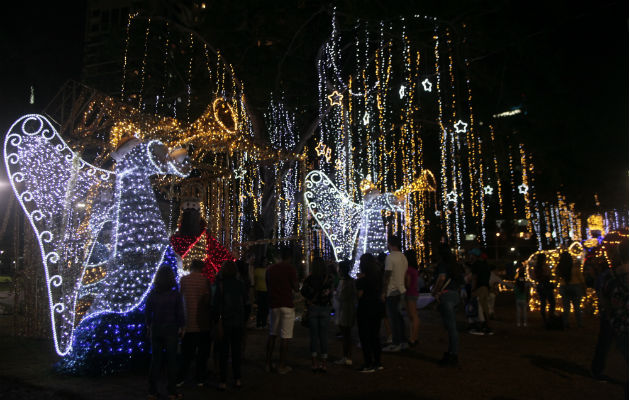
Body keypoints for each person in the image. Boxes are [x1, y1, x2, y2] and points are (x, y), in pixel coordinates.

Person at [591, 239, 629, 381]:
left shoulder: (610, 276)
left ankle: (597, 368)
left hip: (617, 323)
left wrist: (612, 314)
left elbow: (603, 299)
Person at [146, 265, 185, 400]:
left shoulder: (153, 294)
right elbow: (180, 313)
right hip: (171, 329)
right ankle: (171, 391)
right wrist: (182, 326)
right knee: (171, 360)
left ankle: (152, 390)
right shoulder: (175, 295)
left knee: (156, 360)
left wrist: (149, 326)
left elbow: (148, 312)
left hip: (157, 328)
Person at [213, 260, 247, 390]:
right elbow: (245, 301)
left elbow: (216, 305)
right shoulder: (240, 284)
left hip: (224, 321)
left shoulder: (220, 285)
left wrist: (217, 320)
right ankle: (237, 378)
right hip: (237, 321)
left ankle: (223, 380)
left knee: (224, 351)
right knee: (236, 351)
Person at [177, 259, 211, 388]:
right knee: (202, 354)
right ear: (201, 268)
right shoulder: (205, 281)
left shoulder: (184, 280)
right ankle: (200, 378)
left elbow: (180, 298)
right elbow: (207, 301)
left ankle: (181, 378)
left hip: (188, 322)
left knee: (186, 354)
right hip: (202, 323)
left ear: (191, 267)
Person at [265, 246, 298, 374]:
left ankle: (268, 363)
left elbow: (268, 286)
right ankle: (281, 365)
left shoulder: (270, 269)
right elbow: (296, 288)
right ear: (290, 257)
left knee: (272, 334)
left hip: (274, 304)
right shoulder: (290, 269)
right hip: (286, 304)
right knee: (285, 336)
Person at [432, 245, 463, 366]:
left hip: (446, 296)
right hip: (455, 295)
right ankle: (452, 352)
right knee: (452, 327)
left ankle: (453, 355)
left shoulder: (443, 265)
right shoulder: (455, 265)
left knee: (451, 328)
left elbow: (441, 278)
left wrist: (435, 290)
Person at [301, 257, 334, 372]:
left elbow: (303, 291)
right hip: (325, 308)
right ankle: (324, 363)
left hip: (313, 307)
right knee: (323, 336)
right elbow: (330, 294)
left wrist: (310, 298)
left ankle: (314, 362)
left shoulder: (310, 279)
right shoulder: (328, 278)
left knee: (314, 336)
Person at [356, 254, 384, 372]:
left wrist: (357, 282)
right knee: (375, 335)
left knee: (365, 336)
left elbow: (359, 295)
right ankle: (377, 362)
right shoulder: (378, 276)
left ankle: (368, 363)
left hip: (365, 308)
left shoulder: (362, 279)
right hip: (376, 306)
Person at [382, 235, 408, 352]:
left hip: (392, 291)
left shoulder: (390, 257)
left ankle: (396, 342)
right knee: (399, 318)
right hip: (402, 289)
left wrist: (383, 291)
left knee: (393, 318)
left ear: (390, 244)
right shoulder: (403, 257)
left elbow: (387, 275)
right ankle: (403, 341)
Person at [334, 260, 357, 366]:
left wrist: (335, 294)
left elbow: (342, 296)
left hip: (345, 310)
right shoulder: (350, 281)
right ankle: (347, 356)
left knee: (346, 335)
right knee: (347, 335)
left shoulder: (345, 282)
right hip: (348, 309)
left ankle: (346, 356)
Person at [557, 251, 585, 328]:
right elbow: (581, 278)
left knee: (566, 307)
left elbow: (557, 277)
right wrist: (584, 287)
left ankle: (566, 323)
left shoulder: (560, 267)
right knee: (577, 307)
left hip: (564, 286)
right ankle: (579, 323)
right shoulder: (575, 267)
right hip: (575, 286)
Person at [470, 248, 493, 335]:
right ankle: (488, 327)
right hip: (486, 288)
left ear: (475, 256)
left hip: (479, 288)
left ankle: (480, 327)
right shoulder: (486, 265)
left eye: (471, 255)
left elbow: (474, 278)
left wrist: (473, 289)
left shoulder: (475, 265)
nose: (470, 257)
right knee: (485, 308)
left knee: (478, 307)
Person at [534, 253, 556, 325]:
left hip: (540, 285)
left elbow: (536, 277)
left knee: (543, 302)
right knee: (552, 302)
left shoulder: (536, 267)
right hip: (546, 285)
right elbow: (548, 275)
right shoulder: (544, 266)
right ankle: (550, 316)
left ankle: (544, 318)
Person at [404, 250, 420, 347]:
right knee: (413, 316)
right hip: (414, 292)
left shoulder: (408, 269)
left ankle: (413, 338)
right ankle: (413, 336)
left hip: (409, 293)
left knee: (413, 316)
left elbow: (408, 283)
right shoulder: (414, 269)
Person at [253, 259, 269, 329]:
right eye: (263, 262)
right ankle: (259, 323)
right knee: (260, 308)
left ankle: (264, 323)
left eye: (265, 262)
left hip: (266, 291)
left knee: (265, 308)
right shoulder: (257, 270)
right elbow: (254, 281)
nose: (264, 263)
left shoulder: (268, 270)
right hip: (259, 290)